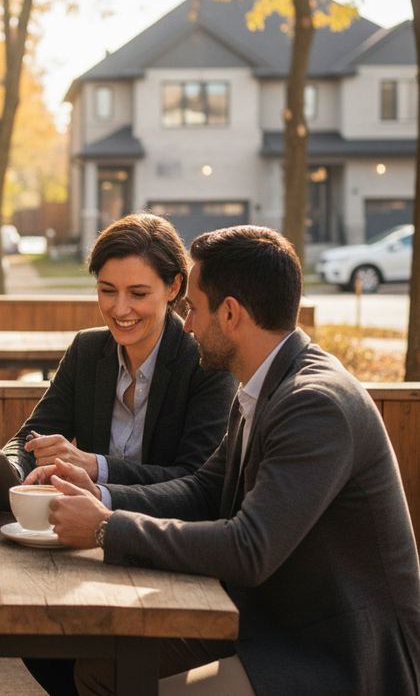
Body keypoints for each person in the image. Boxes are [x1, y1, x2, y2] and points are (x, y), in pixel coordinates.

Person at [45, 225, 420, 696]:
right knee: (100, 668)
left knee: (123, 677)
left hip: (333, 651)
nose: (187, 326)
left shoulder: (314, 403)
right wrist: (98, 495)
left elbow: (249, 548)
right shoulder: (267, 386)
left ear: (229, 313)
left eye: (193, 310)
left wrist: (105, 528)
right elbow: (202, 489)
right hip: (269, 620)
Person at [0, 213, 237, 695]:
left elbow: (195, 477)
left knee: (92, 658)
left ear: (174, 287)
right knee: (30, 630)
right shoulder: (88, 351)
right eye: (107, 291)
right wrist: (4, 463)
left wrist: (96, 467)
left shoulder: (205, 359)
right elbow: (31, 437)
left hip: (169, 553)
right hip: (85, 548)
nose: (119, 308)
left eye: (137, 293)